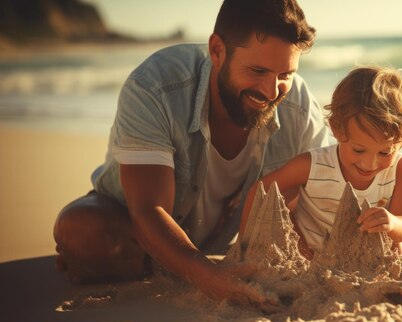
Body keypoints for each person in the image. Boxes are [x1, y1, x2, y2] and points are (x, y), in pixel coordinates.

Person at [53, 0, 330, 303]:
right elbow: (148, 208)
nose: (271, 90)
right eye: (257, 70)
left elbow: (321, 193)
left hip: (219, 239)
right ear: (217, 51)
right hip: (134, 222)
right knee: (81, 229)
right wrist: (210, 278)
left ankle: (173, 260)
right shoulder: (155, 86)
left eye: (285, 75)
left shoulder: (299, 106)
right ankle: (159, 258)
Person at [240, 66, 402, 266]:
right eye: (359, 150)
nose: (370, 163)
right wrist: (243, 247)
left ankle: (369, 273)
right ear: (337, 129)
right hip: (312, 255)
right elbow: (260, 190)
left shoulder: (400, 166)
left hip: (367, 254)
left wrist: (392, 223)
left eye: (385, 152)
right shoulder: (313, 165)